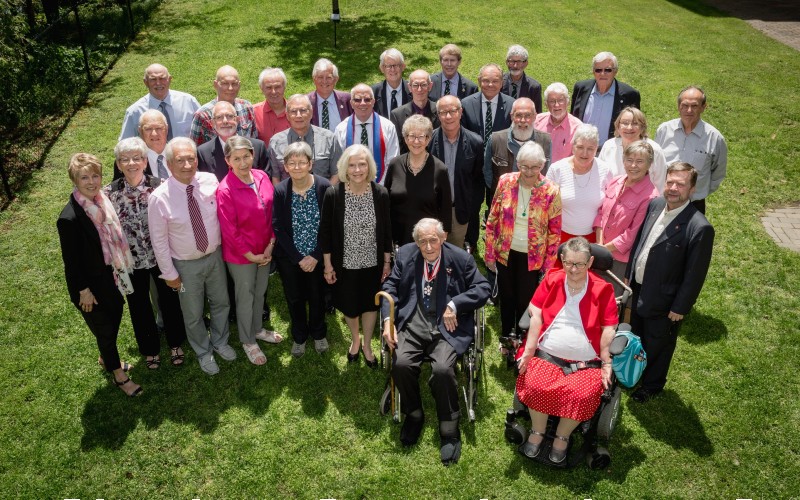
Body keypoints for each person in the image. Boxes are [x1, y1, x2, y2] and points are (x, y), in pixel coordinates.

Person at [381, 218, 490, 465]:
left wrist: (455, 304)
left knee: (442, 370)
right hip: (413, 322)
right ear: (415, 242)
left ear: (442, 238)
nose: (428, 247)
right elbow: (390, 287)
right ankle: (414, 413)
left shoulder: (460, 259)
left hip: (447, 329)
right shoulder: (406, 256)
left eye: (433, 240)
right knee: (400, 364)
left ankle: (449, 428)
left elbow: (483, 288)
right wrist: (388, 320)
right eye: (422, 242)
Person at [515, 237, 618, 463]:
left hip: (585, 359)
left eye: (579, 264)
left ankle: (563, 435)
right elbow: (536, 311)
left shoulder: (603, 289)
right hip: (547, 351)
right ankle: (537, 431)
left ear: (590, 262)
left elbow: (609, 327)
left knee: (581, 394)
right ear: (562, 259)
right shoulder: (553, 278)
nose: (573, 269)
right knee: (535, 384)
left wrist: (606, 361)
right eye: (569, 263)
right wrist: (530, 349)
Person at [626, 162, 715, 403]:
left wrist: (680, 307)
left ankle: (652, 385)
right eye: (670, 182)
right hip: (639, 287)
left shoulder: (699, 227)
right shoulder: (655, 205)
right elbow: (641, 241)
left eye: (681, 184)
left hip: (666, 300)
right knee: (636, 334)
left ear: (692, 189)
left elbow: (695, 273)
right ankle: (631, 374)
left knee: (659, 343)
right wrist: (630, 272)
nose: (674, 188)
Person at [148, 137, 236, 376]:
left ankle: (220, 341)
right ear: (168, 164)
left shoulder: (210, 181)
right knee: (193, 313)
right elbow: (159, 241)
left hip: (215, 256)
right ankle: (203, 351)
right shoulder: (159, 198)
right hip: (185, 266)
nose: (187, 164)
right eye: (180, 160)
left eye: (191, 158)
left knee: (221, 302)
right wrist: (170, 274)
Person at [57, 153, 140, 396]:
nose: (92, 182)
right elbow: (70, 263)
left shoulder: (102, 201)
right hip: (89, 287)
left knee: (114, 317)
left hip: (110, 277)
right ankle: (119, 375)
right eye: (85, 177)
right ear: (74, 179)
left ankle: (107, 358)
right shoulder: (69, 218)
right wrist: (84, 291)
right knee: (105, 329)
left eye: (95, 175)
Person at [104, 137, 187, 369]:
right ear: (118, 164)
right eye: (125, 159)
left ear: (144, 161)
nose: (131, 163)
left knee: (170, 300)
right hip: (131, 261)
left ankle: (175, 343)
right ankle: (150, 349)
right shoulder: (109, 193)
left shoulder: (161, 185)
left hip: (161, 256)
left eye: (137, 158)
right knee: (138, 306)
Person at [320, 145, 393, 367]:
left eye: (362, 164)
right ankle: (354, 340)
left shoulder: (380, 193)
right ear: (344, 168)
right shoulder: (334, 193)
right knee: (350, 306)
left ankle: (368, 344)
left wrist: (387, 262)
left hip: (373, 262)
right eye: (352, 165)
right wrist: (328, 265)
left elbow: (387, 230)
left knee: (371, 305)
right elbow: (325, 232)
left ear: (369, 166)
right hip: (346, 264)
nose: (357, 169)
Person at [216, 136, 282, 366]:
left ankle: (257, 329)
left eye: (246, 156)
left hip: (265, 250)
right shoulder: (225, 190)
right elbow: (229, 230)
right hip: (242, 256)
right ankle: (247, 340)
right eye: (237, 158)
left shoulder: (262, 176)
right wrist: (249, 255)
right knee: (245, 297)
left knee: (260, 291)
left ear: (253, 155)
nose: (243, 163)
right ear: (228, 161)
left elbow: (273, 213)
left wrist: (271, 244)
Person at [485, 142, 561, 340]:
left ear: (542, 166)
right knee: (507, 296)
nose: (529, 172)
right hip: (505, 252)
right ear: (517, 164)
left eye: (535, 167)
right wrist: (489, 254)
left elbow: (554, 231)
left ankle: (522, 337)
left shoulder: (551, 190)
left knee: (525, 299)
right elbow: (492, 219)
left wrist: (548, 265)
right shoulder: (505, 181)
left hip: (533, 257)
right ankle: (506, 336)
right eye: (524, 166)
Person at [272, 142, 332, 357]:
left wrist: (315, 256)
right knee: (295, 298)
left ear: (310, 164)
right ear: (285, 167)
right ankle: (299, 336)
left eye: (302, 162)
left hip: (317, 255)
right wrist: (298, 258)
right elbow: (278, 226)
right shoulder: (280, 191)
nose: (297, 167)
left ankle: (318, 333)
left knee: (317, 296)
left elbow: (330, 225)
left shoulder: (324, 187)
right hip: (291, 258)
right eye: (292, 163)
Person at [594, 141, 660, 297]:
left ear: (649, 164)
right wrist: (599, 245)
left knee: (610, 302)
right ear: (623, 161)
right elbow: (601, 214)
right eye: (629, 160)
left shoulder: (651, 196)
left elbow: (632, 235)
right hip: (599, 250)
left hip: (619, 261)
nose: (633, 165)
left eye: (640, 161)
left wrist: (603, 249)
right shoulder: (615, 181)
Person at [655, 86, 727, 214]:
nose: (689, 110)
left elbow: (718, 173)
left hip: (694, 204)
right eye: (684, 105)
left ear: (703, 107)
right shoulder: (664, 130)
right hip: (664, 200)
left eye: (694, 106)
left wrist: (700, 192)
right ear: (679, 106)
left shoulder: (714, 138)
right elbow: (655, 163)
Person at [384, 115, 452, 245]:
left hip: (427, 239)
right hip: (398, 235)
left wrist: (442, 235)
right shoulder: (395, 164)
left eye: (421, 137)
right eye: (412, 136)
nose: (416, 141)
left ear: (428, 140)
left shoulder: (440, 169)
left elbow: (445, 208)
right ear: (405, 138)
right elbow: (386, 201)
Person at [428, 95, 484, 249]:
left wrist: (472, 206)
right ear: (438, 115)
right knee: (432, 251)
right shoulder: (428, 141)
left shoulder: (475, 142)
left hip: (460, 211)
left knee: (455, 253)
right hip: (434, 210)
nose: (448, 116)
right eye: (443, 112)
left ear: (461, 112)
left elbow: (478, 180)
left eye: (452, 111)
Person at [546, 124, 613, 243]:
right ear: (573, 147)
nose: (585, 153)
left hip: (593, 238)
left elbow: (608, 207)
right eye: (580, 147)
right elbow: (546, 204)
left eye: (590, 148)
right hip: (560, 236)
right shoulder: (557, 169)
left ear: (596, 148)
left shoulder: (605, 170)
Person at [570, 52, 640, 147]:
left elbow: (635, 127)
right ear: (593, 72)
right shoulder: (581, 88)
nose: (602, 74)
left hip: (611, 151)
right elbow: (573, 119)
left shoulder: (630, 95)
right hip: (582, 149)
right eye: (598, 70)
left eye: (607, 70)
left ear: (615, 71)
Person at [333, 83, 399, 184]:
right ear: (351, 103)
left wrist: (380, 186)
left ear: (373, 102)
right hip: (350, 187)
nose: (362, 103)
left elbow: (392, 160)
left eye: (367, 99)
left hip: (381, 187)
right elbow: (339, 162)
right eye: (357, 100)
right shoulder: (341, 129)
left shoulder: (388, 127)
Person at [269, 94, 342, 185]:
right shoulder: (276, 142)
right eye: (293, 111)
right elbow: (275, 177)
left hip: (324, 196)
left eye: (303, 110)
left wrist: (326, 195)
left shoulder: (329, 138)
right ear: (287, 115)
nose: (298, 115)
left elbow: (337, 173)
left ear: (311, 113)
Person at [486, 97, 552, 197]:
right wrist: (501, 193)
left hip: (535, 201)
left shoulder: (545, 140)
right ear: (512, 116)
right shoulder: (496, 139)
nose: (522, 120)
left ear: (534, 117)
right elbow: (487, 172)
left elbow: (547, 172)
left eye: (528, 115)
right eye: (518, 115)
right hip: (503, 201)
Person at [119, 63, 200, 141]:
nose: (158, 83)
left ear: (169, 79)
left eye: (162, 78)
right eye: (153, 79)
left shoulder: (188, 101)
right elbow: (125, 144)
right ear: (145, 82)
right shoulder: (134, 112)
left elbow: (205, 128)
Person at [598, 106, 667, 191]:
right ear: (618, 126)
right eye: (625, 123)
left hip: (644, 201)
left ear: (642, 127)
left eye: (635, 123)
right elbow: (600, 175)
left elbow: (661, 182)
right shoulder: (608, 145)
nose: (629, 127)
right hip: (611, 198)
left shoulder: (654, 150)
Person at [198, 101, 269, 181]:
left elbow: (266, 181)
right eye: (219, 117)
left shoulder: (258, 147)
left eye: (229, 116)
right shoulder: (203, 153)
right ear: (213, 123)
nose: (225, 121)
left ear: (237, 120)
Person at [190, 65, 257, 145]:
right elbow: (195, 148)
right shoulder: (203, 115)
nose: (230, 88)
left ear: (239, 85)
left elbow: (254, 141)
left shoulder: (247, 107)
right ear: (215, 84)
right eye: (225, 83)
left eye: (234, 84)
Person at [460, 63, 515, 146]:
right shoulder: (466, 104)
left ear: (501, 83)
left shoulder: (512, 105)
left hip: (501, 156)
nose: (490, 85)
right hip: (473, 156)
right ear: (479, 82)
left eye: (495, 81)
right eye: (486, 81)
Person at [391, 69, 440, 155]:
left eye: (424, 85)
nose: (419, 89)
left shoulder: (440, 111)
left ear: (430, 86)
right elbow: (398, 147)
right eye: (415, 85)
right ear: (409, 87)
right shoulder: (397, 115)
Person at [534, 82, 583, 164]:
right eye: (552, 101)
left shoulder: (578, 128)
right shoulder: (537, 121)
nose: (556, 105)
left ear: (568, 102)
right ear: (546, 104)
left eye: (561, 100)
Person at [308, 58, 352, 132]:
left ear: (336, 79)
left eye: (328, 77)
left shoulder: (347, 99)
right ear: (314, 79)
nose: (324, 81)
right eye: (320, 77)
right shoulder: (306, 102)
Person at [253, 67, 290, 146]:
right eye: (269, 87)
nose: (273, 92)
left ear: (284, 87)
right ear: (261, 89)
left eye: (277, 87)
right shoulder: (253, 112)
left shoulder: (295, 111)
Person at [372, 48, 411, 118]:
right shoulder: (373, 93)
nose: (392, 69)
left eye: (396, 65)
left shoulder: (413, 90)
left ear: (403, 67)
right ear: (382, 68)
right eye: (388, 66)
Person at [502, 44, 542, 112]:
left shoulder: (534, 87)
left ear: (525, 63)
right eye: (512, 61)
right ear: (507, 62)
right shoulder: (498, 82)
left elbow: (537, 114)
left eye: (519, 62)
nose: (515, 65)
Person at [139, 110, 170, 179]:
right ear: (140, 131)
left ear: (167, 129)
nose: (154, 134)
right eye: (148, 129)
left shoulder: (181, 154)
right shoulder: (131, 162)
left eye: (159, 128)